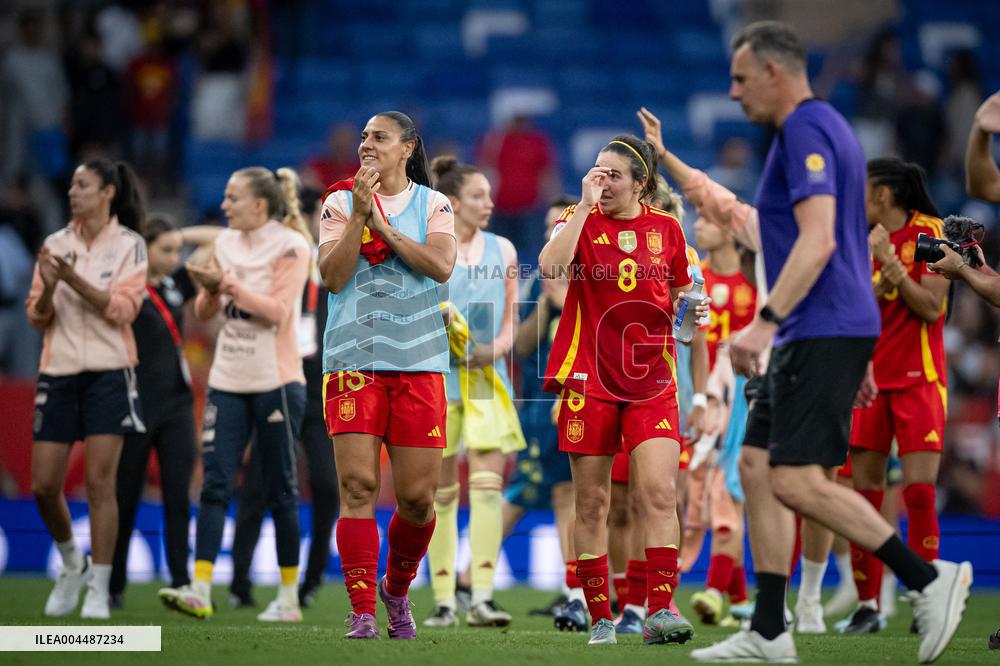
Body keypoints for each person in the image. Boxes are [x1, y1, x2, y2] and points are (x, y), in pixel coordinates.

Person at [690, 22, 971, 664]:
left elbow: (816, 241)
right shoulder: (824, 128)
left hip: (820, 325)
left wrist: (764, 319)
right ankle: (768, 628)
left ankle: (930, 579)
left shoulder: (807, 130)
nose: (733, 94)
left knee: (794, 478)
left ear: (774, 72)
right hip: (824, 327)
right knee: (757, 468)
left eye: (740, 78)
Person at [538, 133, 696, 647]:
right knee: (592, 502)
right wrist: (583, 207)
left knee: (658, 493)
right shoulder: (578, 222)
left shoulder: (668, 229)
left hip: (652, 380)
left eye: (612, 176)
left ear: (640, 184)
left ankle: (661, 609)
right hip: (590, 379)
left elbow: (679, 295)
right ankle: (601, 616)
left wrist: (692, 317)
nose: (600, 183)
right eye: (596, 172)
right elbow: (550, 269)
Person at [318, 111, 456, 640]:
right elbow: (332, 277)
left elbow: (440, 266)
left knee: (419, 500)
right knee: (357, 487)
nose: (367, 145)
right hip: (352, 360)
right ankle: (361, 611)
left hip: (419, 363)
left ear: (407, 147)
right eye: (363, 137)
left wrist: (384, 228)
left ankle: (395, 590)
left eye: (379, 138)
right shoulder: (336, 202)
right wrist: (357, 216)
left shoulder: (434, 204)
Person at [157, 167, 311, 623]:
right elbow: (206, 312)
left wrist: (226, 286)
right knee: (215, 484)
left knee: (282, 489)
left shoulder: (292, 245)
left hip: (277, 381)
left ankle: (287, 598)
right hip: (227, 378)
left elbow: (278, 314)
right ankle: (201, 588)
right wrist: (207, 291)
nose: (223, 205)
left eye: (232, 198)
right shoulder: (223, 244)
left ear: (259, 205)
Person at [27, 159, 147, 620]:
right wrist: (48, 287)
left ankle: (99, 587)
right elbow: (37, 317)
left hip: (110, 372)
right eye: (72, 184)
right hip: (57, 371)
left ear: (108, 193)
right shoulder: (54, 245)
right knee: (43, 485)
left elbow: (122, 310)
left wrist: (71, 280)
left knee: (100, 483)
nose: (73, 192)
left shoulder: (129, 246)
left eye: (84, 185)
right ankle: (71, 562)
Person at [837, 158, 950, 635]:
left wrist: (890, 267)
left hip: (919, 378)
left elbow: (930, 307)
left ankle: (927, 599)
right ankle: (868, 606)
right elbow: (853, 306)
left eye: (863, 193)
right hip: (870, 383)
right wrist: (875, 269)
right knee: (864, 497)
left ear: (882, 196)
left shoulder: (933, 233)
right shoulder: (857, 240)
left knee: (920, 492)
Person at [226, 186, 340, 611]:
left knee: (328, 487)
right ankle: (240, 583)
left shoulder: (333, 265)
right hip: (280, 381)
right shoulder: (282, 261)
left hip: (323, 390)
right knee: (260, 483)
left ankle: (310, 581)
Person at [423, 156, 524, 628]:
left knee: (487, 488)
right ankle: (443, 600)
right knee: (440, 494)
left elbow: (511, 326)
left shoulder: (502, 250)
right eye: (480, 196)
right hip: (437, 379)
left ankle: (479, 596)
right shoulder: (431, 249)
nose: (490, 203)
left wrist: (494, 350)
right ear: (455, 203)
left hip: (486, 380)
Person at [109, 215, 219, 608]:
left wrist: (180, 232)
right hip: (137, 403)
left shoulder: (176, 286)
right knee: (125, 496)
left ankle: (180, 580)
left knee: (178, 495)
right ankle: (113, 583)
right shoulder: (127, 291)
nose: (175, 257)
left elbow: (220, 240)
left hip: (176, 405)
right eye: (166, 249)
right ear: (145, 250)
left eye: (176, 250)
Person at [501, 197, 577, 620]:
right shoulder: (536, 283)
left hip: (581, 396)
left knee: (570, 493)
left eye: (561, 225)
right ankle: (466, 581)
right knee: (536, 490)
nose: (554, 232)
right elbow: (522, 346)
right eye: (549, 225)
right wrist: (550, 303)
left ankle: (577, 589)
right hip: (541, 402)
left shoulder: (591, 274)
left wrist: (566, 301)